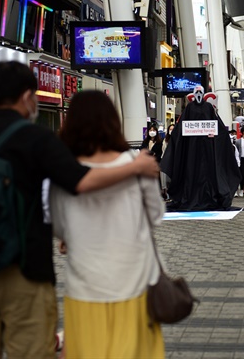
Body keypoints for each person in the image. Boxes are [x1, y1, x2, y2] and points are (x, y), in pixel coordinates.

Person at [0, 61, 159, 359]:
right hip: (24, 272)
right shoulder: (35, 138)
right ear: (26, 97)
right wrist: (134, 166)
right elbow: (80, 181)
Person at [50, 90, 165, 358]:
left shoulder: (65, 170)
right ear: (114, 121)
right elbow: (156, 215)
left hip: (84, 285)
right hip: (133, 281)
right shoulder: (137, 164)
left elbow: (57, 224)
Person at [161, 123, 175, 200]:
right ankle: (166, 194)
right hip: (165, 160)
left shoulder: (177, 140)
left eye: (173, 129)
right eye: (170, 129)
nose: (171, 131)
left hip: (174, 161)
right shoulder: (165, 141)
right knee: (165, 179)